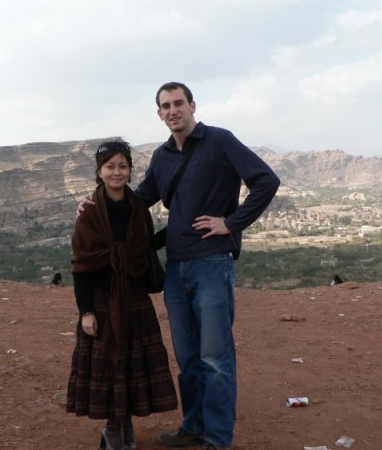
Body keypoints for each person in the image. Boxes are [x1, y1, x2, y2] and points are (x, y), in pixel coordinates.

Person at [79, 82, 280, 450]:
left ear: (192, 105)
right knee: (188, 357)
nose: (173, 111)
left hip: (211, 263)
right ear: (159, 113)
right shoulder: (163, 155)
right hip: (177, 268)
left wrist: (231, 223)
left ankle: (218, 439)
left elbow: (267, 180)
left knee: (216, 358)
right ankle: (194, 426)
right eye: (165, 106)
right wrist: (96, 203)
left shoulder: (220, 141)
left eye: (178, 103)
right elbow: (138, 200)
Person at [67, 140, 178, 450]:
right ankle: (113, 429)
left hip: (135, 300)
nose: (117, 172)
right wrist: (86, 312)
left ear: (130, 171)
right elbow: (82, 265)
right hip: (102, 303)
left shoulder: (138, 208)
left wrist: (178, 225)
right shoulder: (89, 211)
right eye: (110, 166)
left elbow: (143, 247)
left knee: (131, 365)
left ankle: (125, 426)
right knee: (110, 365)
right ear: (99, 171)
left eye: (123, 166)